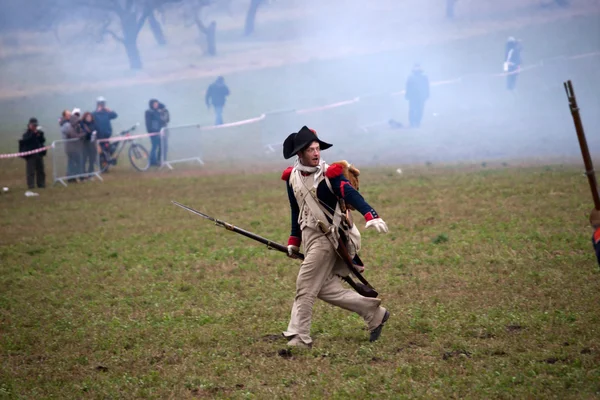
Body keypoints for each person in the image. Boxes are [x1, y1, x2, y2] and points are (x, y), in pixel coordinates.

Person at [281, 126, 390, 348]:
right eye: (310, 150)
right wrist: (294, 240)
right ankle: (373, 313)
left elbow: (350, 193)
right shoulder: (292, 177)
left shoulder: (330, 174)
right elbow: (296, 210)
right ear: (300, 154)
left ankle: (299, 337)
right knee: (321, 288)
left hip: (327, 238)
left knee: (305, 286)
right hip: (309, 236)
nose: (316, 153)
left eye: (317, 148)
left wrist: (371, 214)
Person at [18, 117, 46, 189]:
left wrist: (40, 135)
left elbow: (42, 140)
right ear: (29, 125)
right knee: (30, 171)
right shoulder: (26, 134)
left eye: (35, 125)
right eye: (33, 125)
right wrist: (33, 134)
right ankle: (31, 185)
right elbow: (27, 140)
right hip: (30, 155)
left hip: (39, 153)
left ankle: (41, 184)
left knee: (40, 170)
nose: (34, 127)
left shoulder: (38, 133)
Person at [60, 109, 85, 182]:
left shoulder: (70, 124)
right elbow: (72, 134)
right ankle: (71, 177)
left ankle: (73, 176)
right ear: (64, 116)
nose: (70, 116)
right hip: (70, 146)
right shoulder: (66, 125)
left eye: (70, 115)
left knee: (73, 161)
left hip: (74, 146)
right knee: (71, 162)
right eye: (68, 115)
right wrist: (82, 134)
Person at [145, 98, 170, 166]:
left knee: (163, 146)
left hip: (162, 131)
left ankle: (161, 160)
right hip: (154, 132)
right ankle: (152, 162)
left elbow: (166, 119)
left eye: (157, 104)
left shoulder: (160, 111)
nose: (156, 105)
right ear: (151, 105)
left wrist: (163, 107)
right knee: (154, 147)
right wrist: (151, 131)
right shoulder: (149, 112)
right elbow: (148, 123)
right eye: (154, 104)